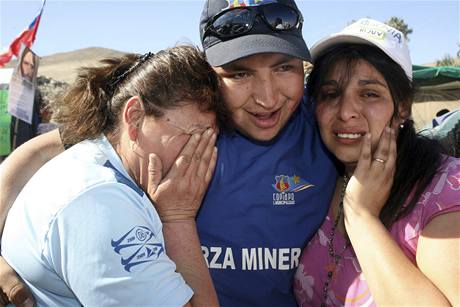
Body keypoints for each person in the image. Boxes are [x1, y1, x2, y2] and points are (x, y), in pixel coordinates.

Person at [0, 0, 337, 306]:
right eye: (239, 74)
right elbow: (35, 154)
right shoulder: (180, 126)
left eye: (284, 68)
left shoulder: (323, 123)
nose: (267, 98)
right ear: (209, 75)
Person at [2, 45, 223, 306]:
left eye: (211, 139)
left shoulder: (96, 162)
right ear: (135, 117)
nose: (202, 153)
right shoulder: (102, 203)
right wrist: (178, 218)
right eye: (194, 136)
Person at [293, 18, 460, 306]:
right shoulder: (316, 177)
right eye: (331, 94)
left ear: (403, 107)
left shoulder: (446, 190)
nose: (346, 112)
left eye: (369, 94)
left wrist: (361, 218)